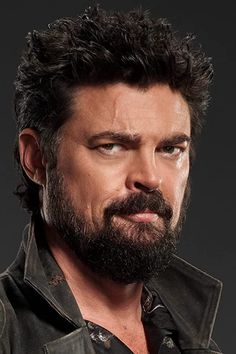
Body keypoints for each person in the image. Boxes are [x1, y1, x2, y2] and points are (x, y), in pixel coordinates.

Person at [0, 5, 222, 354]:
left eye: (170, 149)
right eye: (112, 146)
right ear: (37, 159)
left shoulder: (190, 338)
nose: (149, 177)